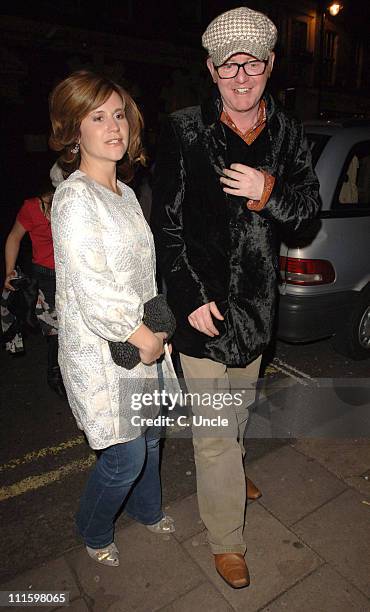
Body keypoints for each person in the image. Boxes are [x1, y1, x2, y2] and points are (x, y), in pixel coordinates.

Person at [152, 6, 320, 589]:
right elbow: (166, 230)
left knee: (239, 411)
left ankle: (232, 470)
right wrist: (188, 299)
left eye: (253, 64)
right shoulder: (183, 130)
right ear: (212, 69)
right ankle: (227, 538)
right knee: (215, 438)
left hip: (256, 313)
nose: (241, 76)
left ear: (270, 66)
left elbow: (304, 219)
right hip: (202, 313)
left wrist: (267, 189)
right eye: (229, 65)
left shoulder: (290, 136)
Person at [48, 70, 177, 567]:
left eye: (119, 114)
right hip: (105, 352)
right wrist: (139, 334)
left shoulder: (123, 193)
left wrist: (156, 331)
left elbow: (141, 275)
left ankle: (149, 512)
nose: (114, 126)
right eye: (97, 116)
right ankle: (93, 528)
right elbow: (91, 283)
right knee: (124, 458)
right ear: (72, 130)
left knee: (150, 437)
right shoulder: (75, 197)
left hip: (142, 344)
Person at [4, 175, 67, 398]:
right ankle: (54, 374)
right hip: (45, 276)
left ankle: (69, 372)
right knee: (55, 330)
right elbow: (14, 236)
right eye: (47, 199)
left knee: (74, 328)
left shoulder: (71, 201)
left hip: (71, 274)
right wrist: (9, 271)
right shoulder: (31, 208)